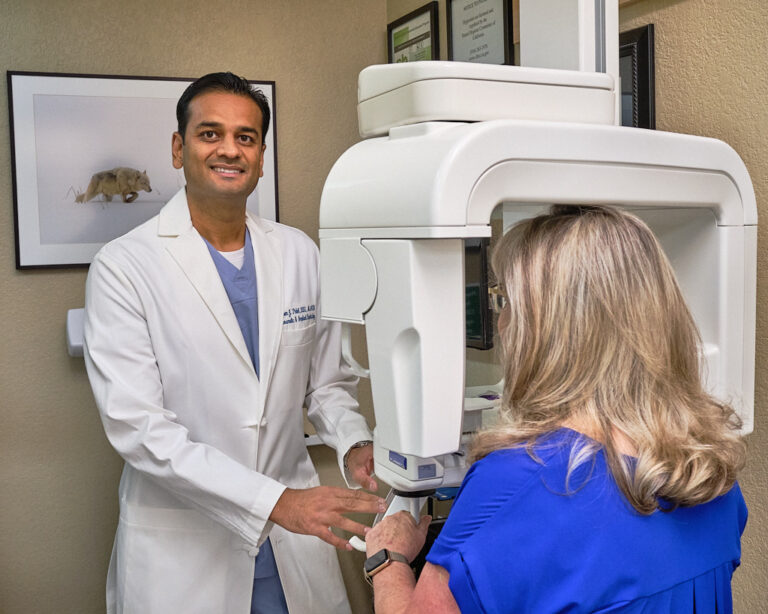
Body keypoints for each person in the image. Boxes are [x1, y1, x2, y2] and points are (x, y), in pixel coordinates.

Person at [83, 72, 385, 614]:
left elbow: (326, 385)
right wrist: (276, 502)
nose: (229, 149)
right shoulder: (124, 267)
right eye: (209, 133)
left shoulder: (298, 254)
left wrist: (354, 443)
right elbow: (140, 430)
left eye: (246, 137)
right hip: (187, 545)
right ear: (179, 148)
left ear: (262, 157)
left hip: (292, 544)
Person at [364, 205, 748, 613]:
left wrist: (388, 561)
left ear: (545, 330)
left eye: (507, 301)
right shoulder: (710, 472)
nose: (501, 321)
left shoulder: (519, 483)